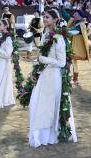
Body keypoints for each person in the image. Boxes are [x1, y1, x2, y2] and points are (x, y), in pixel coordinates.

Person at [28, 9, 77, 148]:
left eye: (47, 17)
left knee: (49, 106)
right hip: (44, 75)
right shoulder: (45, 35)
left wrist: (44, 59)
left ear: (56, 19)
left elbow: (62, 62)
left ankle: (49, 133)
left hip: (54, 76)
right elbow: (41, 57)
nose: (44, 19)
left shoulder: (59, 38)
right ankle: (41, 133)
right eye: (43, 17)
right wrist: (35, 72)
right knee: (38, 104)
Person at [60, 7, 91, 84]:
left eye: (75, 14)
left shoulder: (81, 25)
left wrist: (64, 30)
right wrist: (61, 7)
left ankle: (74, 78)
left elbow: (74, 31)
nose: (73, 15)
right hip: (71, 43)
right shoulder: (73, 21)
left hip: (77, 45)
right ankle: (69, 77)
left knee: (72, 61)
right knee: (70, 60)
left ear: (80, 16)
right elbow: (66, 16)